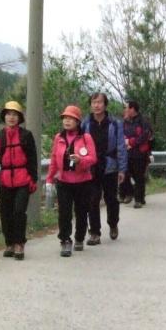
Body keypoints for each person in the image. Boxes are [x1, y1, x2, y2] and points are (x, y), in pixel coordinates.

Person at [0, 100, 39, 260]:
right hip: (5, 180)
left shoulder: (26, 136)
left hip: (23, 179)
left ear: (19, 118)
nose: (11, 117)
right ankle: (10, 243)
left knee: (19, 212)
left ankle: (19, 243)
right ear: (4, 117)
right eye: (8, 114)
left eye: (14, 114)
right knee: (5, 213)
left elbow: (33, 159)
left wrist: (33, 179)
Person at [46, 105, 98, 257]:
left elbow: (93, 158)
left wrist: (80, 160)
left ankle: (79, 238)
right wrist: (50, 178)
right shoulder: (59, 138)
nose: (67, 121)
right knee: (64, 213)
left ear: (77, 121)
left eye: (70, 118)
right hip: (64, 181)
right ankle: (65, 241)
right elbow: (54, 159)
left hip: (83, 181)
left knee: (81, 212)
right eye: (65, 118)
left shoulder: (86, 137)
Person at [81, 92, 127, 244]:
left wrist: (122, 169)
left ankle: (113, 224)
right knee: (92, 200)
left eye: (99, 102)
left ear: (105, 104)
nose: (96, 105)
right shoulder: (85, 124)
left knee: (111, 199)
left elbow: (121, 146)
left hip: (110, 166)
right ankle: (95, 232)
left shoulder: (115, 123)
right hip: (91, 167)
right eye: (94, 102)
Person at [120, 99, 153, 208]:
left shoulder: (143, 122)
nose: (125, 110)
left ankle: (139, 199)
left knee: (139, 176)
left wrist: (132, 142)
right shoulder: (126, 121)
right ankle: (129, 192)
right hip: (127, 152)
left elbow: (145, 136)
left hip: (140, 153)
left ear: (133, 109)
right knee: (125, 174)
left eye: (127, 107)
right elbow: (122, 133)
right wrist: (125, 141)